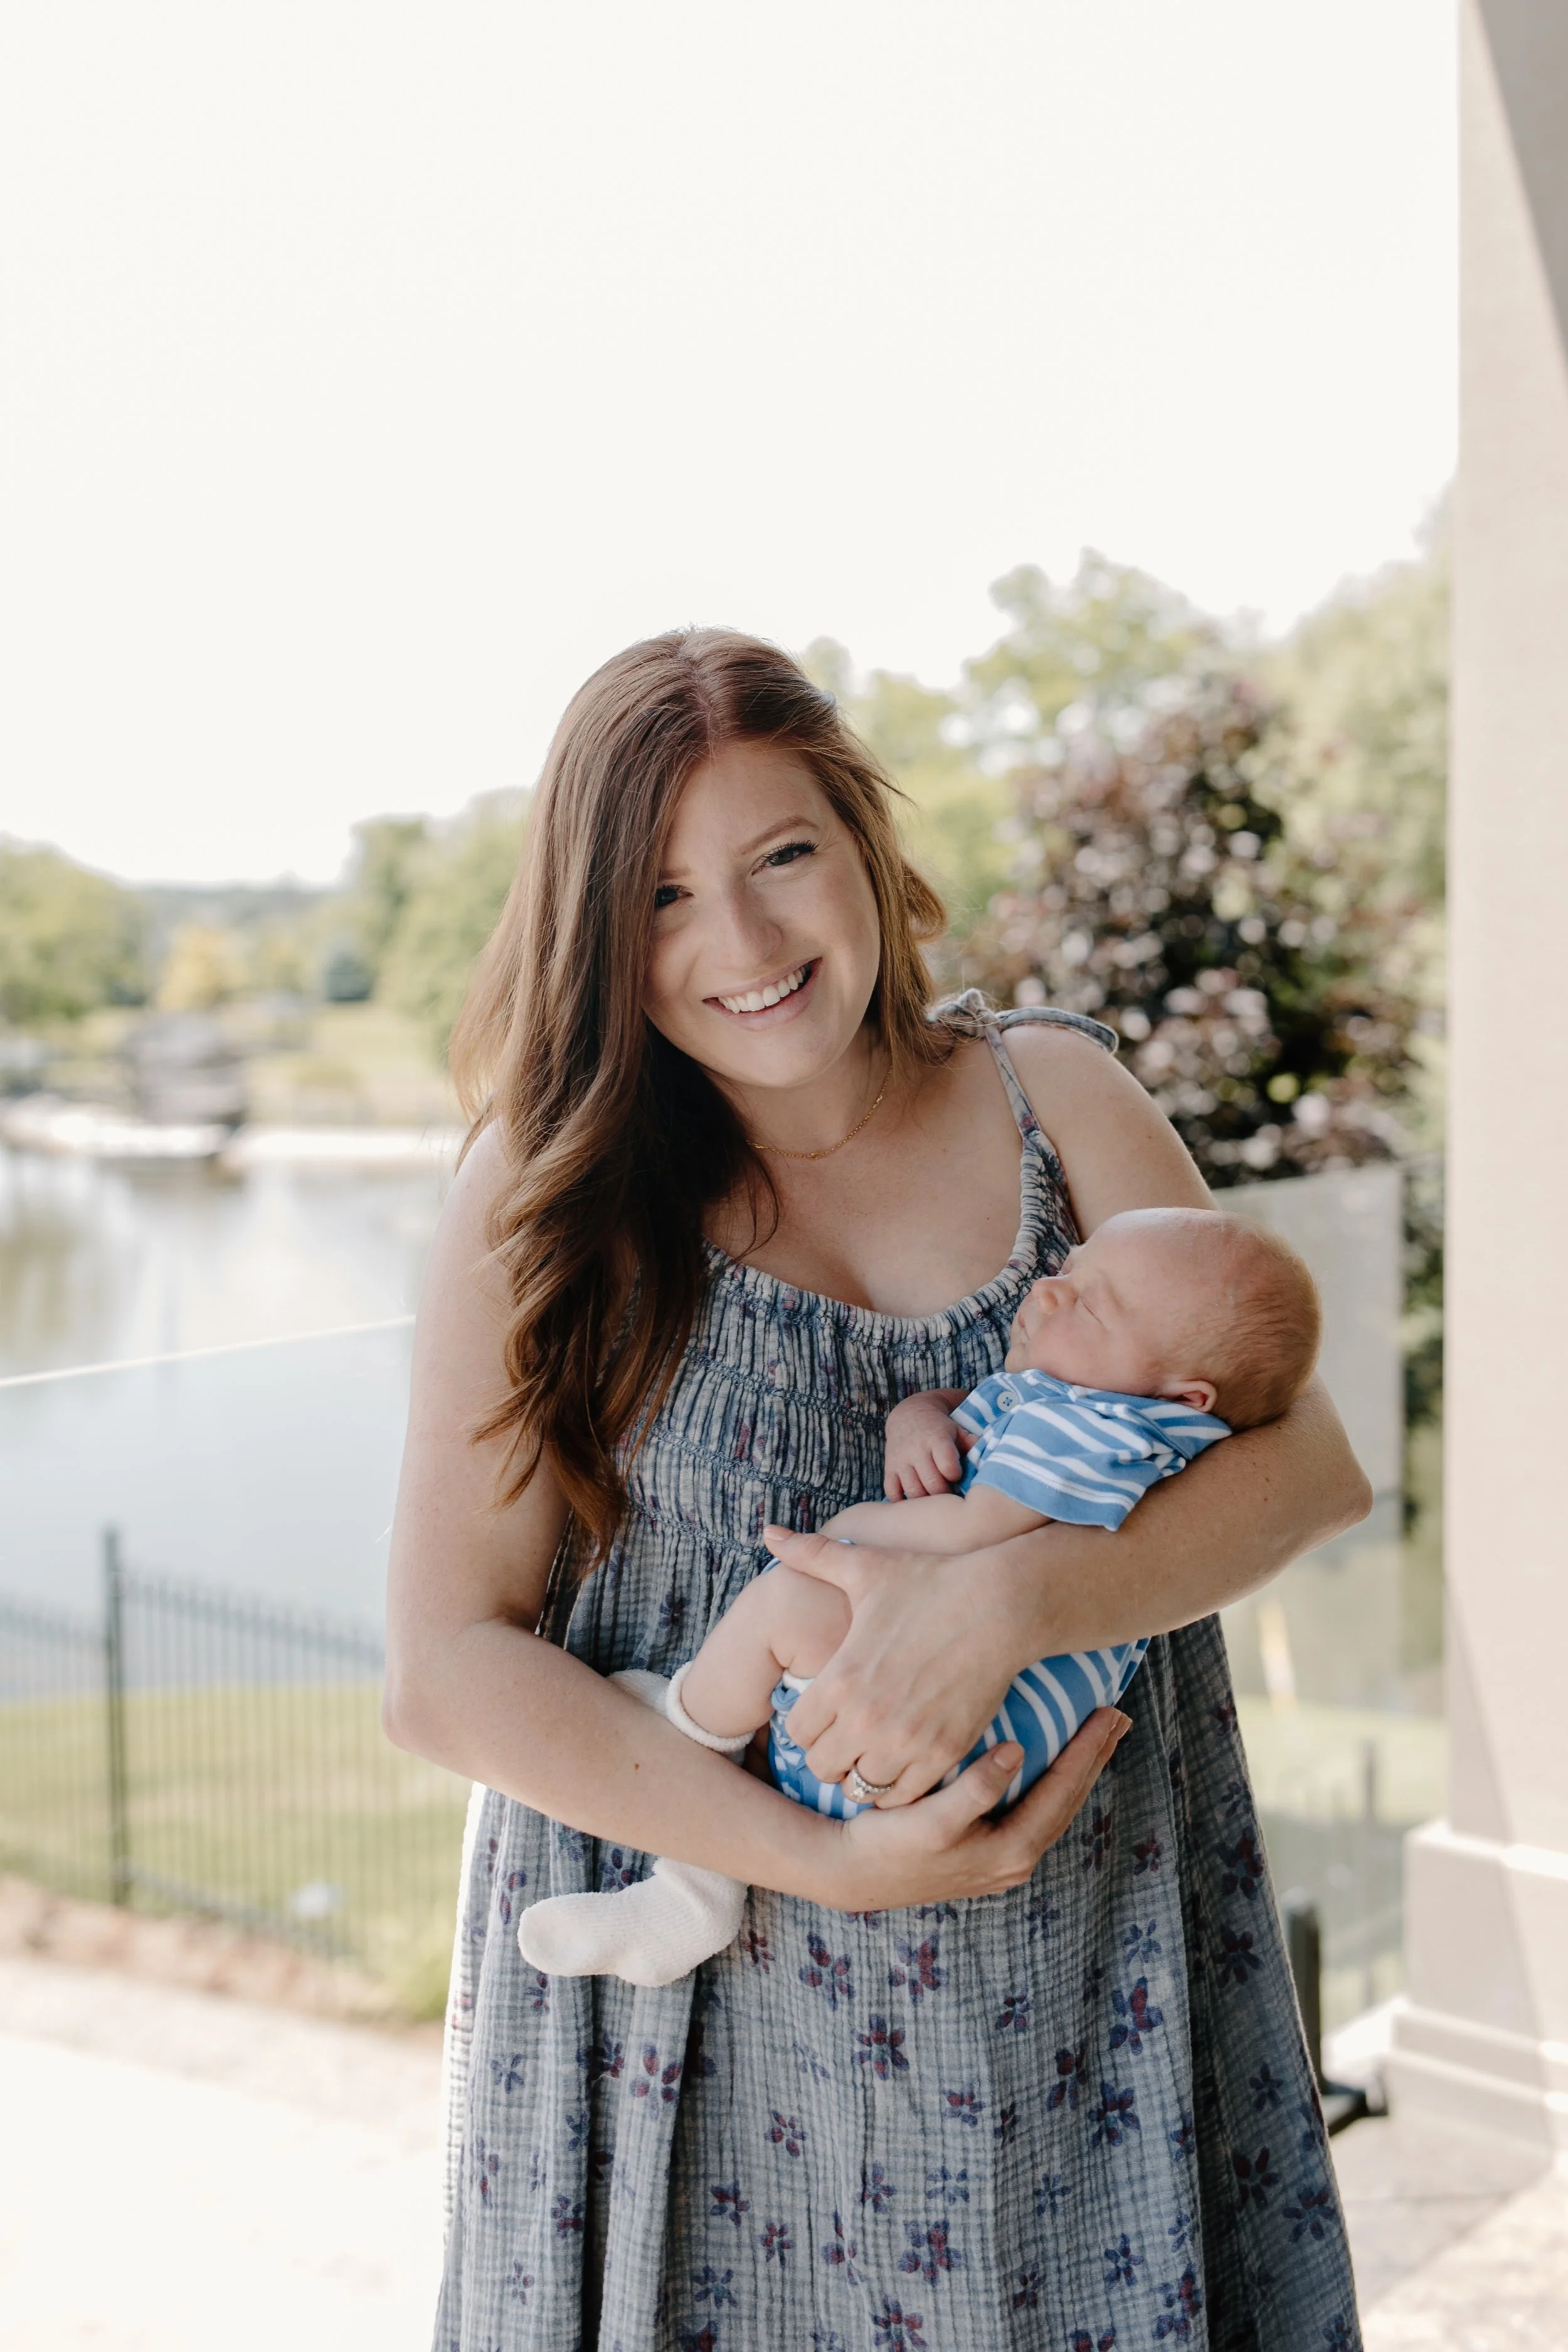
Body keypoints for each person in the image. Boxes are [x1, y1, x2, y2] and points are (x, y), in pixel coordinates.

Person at [383, 627, 1369, 2352]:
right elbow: (445, 1664)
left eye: (782, 857)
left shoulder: (1055, 1099)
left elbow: (1309, 1465)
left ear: (862, 843)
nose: (744, 943)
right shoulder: (539, 1199)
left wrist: (1012, 1598)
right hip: (705, 2037)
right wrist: (815, 1861)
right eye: (665, 896)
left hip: (1093, 1995)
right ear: (594, 931)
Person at [514, 1207, 1321, 1988]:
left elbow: (975, 1534)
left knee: (791, 1606)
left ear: (1187, 1398)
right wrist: (916, 1420)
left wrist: (850, 1528)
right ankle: (692, 1888)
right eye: (1070, 1268)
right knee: (793, 1628)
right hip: (937, 1719)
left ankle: (688, 1731)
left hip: (945, 1732)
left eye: (1092, 1304)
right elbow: (972, 1423)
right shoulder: (1078, 1396)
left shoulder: (1102, 1429)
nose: (1046, 1291)